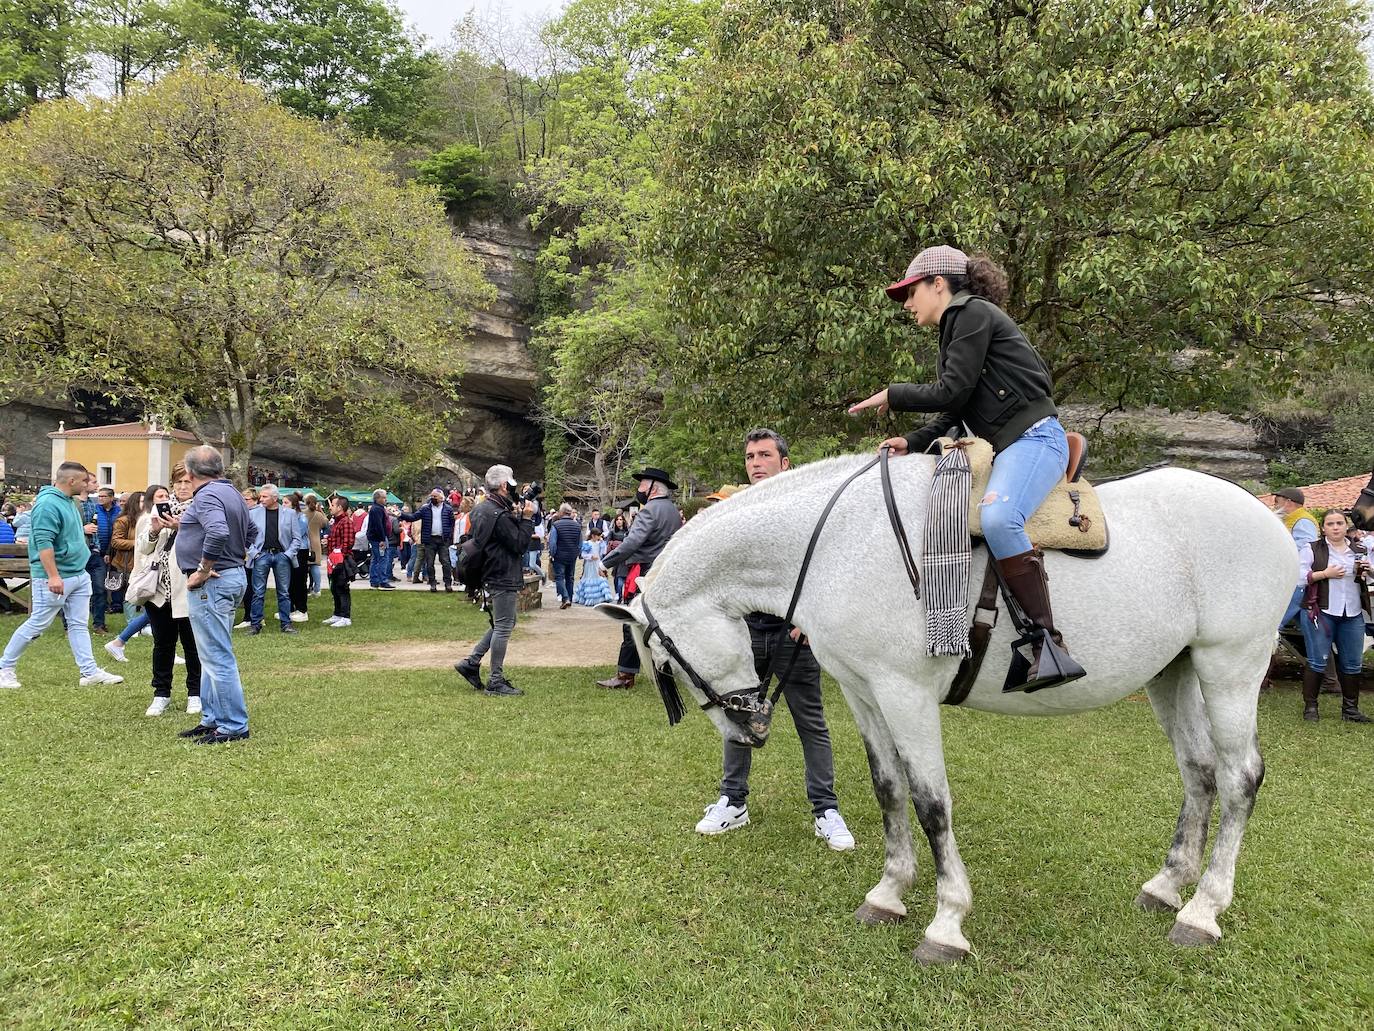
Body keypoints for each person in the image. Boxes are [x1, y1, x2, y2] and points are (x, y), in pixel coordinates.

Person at [848, 244, 1083, 690]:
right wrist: (913, 442)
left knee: (998, 517)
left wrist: (893, 394)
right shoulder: (961, 326)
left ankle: (1047, 644)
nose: (908, 304)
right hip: (1010, 447)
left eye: (911, 292)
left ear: (938, 283)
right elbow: (957, 410)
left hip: (1035, 439)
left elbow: (950, 392)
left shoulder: (969, 312)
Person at [693, 430, 854, 849]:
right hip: (746, 635)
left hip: (792, 635)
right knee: (737, 718)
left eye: (764, 455)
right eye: (749, 456)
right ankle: (733, 802)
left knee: (810, 723)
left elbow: (826, 568)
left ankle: (826, 810)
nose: (755, 462)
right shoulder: (737, 510)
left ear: (785, 463)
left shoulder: (806, 511)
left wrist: (810, 622)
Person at [0, 462, 125, 690]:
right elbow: (43, 543)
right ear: (71, 481)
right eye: (85, 481)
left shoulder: (70, 501)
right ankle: (4, 669)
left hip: (78, 574)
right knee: (37, 624)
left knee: (78, 625)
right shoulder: (47, 504)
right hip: (55, 577)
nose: (88, 485)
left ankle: (89, 672)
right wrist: (53, 576)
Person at [175, 445, 258, 744]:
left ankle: (233, 725)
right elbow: (252, 531)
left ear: (189, 472)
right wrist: (237, 556)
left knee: (217, 655)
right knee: (210, 653)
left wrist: (204, 568)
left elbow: (219, 531)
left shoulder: (207, 495)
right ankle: (212, 718)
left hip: (213, 583)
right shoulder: (232, 493)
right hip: (230, 577)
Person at [452, 465, 536, 697]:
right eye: (511, 483)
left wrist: (515, 515)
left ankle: (472, 662)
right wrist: (526, 519)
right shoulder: (498, 514)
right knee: (504, 625)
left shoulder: (481, 509)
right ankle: (495, 680)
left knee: (505, 622)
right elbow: (519, 544)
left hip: (490, 571)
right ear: (503, 485)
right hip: (502, 573)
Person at [595, 467, 681, 690]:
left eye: (642, 484)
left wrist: (605, 562)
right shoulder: (672, 510)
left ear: (654, 488)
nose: (639, 488)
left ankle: (626, 674)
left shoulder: (649, 510)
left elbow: (632, 543)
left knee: (631, 622)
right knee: (661, 623)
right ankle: (664, 671)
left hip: (644, 573)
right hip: (664, 572)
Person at [136, 472, 202, 716]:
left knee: (192, 644)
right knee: (162, 644)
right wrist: (154, 530)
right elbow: (143, 548)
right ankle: (161, 693)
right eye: (178, 482)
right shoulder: (159, 509)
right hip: (159, 587)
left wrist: (180, 527)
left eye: (188, 482)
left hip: (187, 586)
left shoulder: (202, 508)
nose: (183, 487)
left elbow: (208, 541)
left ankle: (195, 693)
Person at [1297, 509, 1371, 724]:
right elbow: (1299, 577)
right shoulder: (1311, 548)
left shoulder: (1359, 549)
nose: (1336, 527)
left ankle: (1350, 710)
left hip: (1352, 612)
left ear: (1346, 526)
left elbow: (1368, 578)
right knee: (1317, 660)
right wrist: (1324, 574)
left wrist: (1369, 570)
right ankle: (1311, 708)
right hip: (1320, 611)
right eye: (1330, 524)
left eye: (1339, 523)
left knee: (1353, 663)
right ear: (1323, 528)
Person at [245, 484, 301, 635]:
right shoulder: (253, 513)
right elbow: (246, 537)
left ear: (275, 498)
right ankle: (255, 624)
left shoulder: (290, 514)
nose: (261, 499)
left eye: (265, 496)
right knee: (258, 592)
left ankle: (286, 623)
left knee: (284, 592)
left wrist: (288, 554)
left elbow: (297, 538)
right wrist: (254, 553)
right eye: (261, 496)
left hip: (282, 555)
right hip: (261, 555)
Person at [399, 488, 455, 592]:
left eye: (435, 496)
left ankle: (448, 583)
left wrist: (449, 536)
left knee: (446, 562)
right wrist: (401, 515)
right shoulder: (425, 508)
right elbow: (413, 517)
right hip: (430, 539)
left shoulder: (448, 509)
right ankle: (432, 583)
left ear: (441, 498)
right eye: (432, 496)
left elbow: (452, 523)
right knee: (429, 563)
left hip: (443, 539)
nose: (433, 498)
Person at [85, 486, 121, 635]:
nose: (100, 499)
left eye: (103, 496)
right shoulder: (95, 510)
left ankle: (99, 623)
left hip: (110, 551)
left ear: (111, 498)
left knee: (101, 588)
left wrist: (109, 552)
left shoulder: (118, 512)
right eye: (99, 496)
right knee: (90, 589)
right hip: (95, 551)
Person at [323, 496, 356, 628]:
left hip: (341, 560)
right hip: (333, 560)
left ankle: (345, 617)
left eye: (332, 505)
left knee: (342, 588)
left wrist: (339, 557)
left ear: (340, 507)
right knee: (334, 587)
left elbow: (348, 542)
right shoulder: (336, 521)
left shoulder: (345, 522)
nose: (330, 507)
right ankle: (337, 614)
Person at [548, 503, 582, 609]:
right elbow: (580, 543)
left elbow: (552, 543)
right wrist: (577, 553)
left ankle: (565, 598)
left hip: (559, 555)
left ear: (561, 512)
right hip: (572, 555)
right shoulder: (577, 526)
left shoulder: (556, 525)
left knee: (559, 577)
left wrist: (552, 554)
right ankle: (569, 599)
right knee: (570, 578)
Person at [282, 493, 310, 622]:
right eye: (283, 502)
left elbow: (298, 533)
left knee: (299, 579)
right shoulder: (284, 516)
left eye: (286, 503)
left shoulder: (301, 517)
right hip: (289, 550)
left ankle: (302, 609)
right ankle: (290, 608)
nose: (283, 505)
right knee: (290, 580)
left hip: (300, 550)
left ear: (293, 505)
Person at [574, 526, 614, 606]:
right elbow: (583, 555)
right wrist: (591, 557)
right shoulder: (587, 543)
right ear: (593, 535)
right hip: (590, 564)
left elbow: (603, 552)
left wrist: (602, 543)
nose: (599, 537)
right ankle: (589, 598)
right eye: (598, 536)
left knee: (599, 577)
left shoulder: (599, 543)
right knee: (590, 578)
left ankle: (600, 597)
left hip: (597, 563)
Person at [365, 489, 394, 589]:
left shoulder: (378, 508)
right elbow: (378, 525)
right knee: (382, 558)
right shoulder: (377, 509)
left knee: (376, 559)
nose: (386, 499)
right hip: (378, 538)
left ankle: (374, 581)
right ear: (377, 498)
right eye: (384, 497)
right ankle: (382, 581)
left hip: (376, 537)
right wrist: (382, 539)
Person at [305, 494, 327, 598]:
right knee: (315, 566)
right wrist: (321, 511)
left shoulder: (303, 514)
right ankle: (317, 589)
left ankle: (304, 587)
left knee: (304, 567)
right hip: (316, 542)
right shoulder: (318, 515)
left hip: (305, 542)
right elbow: (326, 523)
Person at [607, 513, 629, 600]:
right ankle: (617, 593)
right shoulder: (612, 531)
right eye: (617, 520)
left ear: (623, 521)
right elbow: (608, 542)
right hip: (615, 555)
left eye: (620, 519)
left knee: (624, 575)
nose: (619, 521)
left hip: (625, 555)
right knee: (616, 574)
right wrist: (613, 544)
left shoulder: (627, 531)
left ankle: (625, 593)